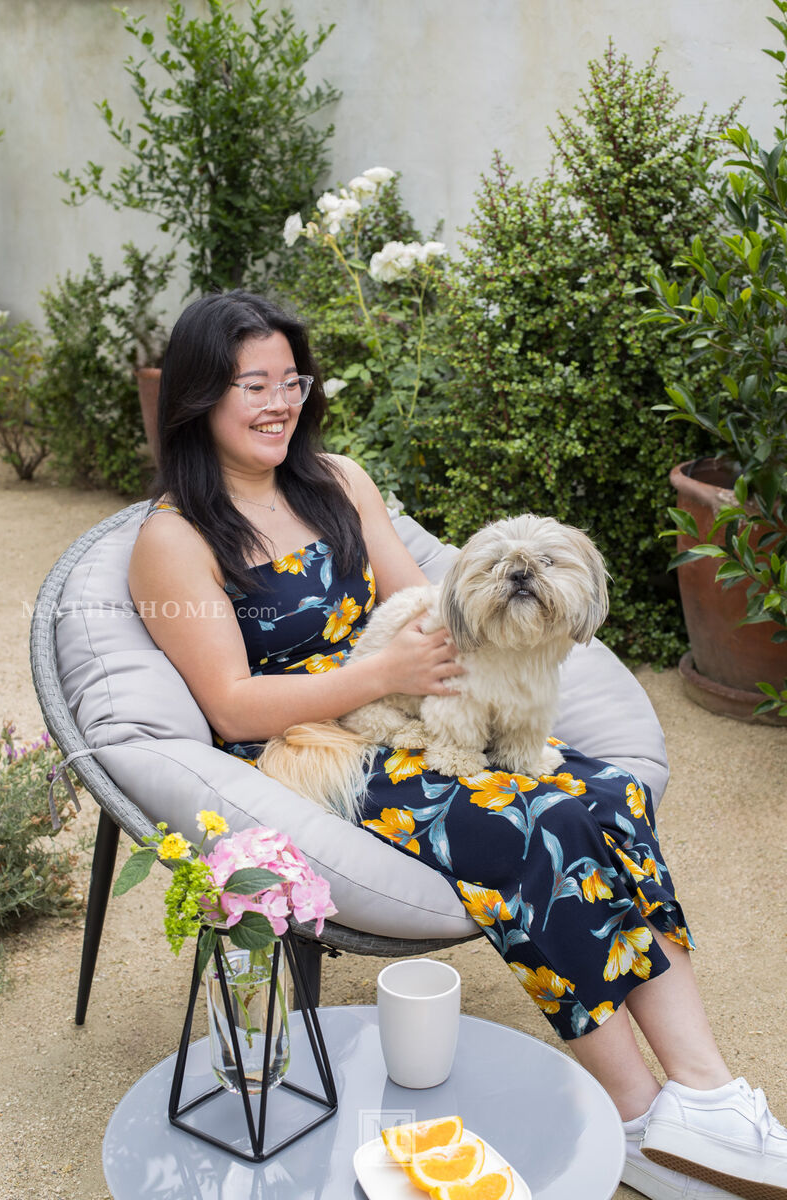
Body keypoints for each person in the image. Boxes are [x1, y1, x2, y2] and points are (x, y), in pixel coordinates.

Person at [129, 291, 787, 1200]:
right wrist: (378, 677)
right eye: (254, 385)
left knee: (606, 797)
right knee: (536, 829)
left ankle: (705, 1093)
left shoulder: (339, 481)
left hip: (422, 699)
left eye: (292, 380)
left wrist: (513, 620)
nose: (280, 402)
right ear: (200, 397)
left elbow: (429, 607)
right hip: (322, 742)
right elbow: (235, 706)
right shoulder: (174, 538)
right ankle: (636, 1118)